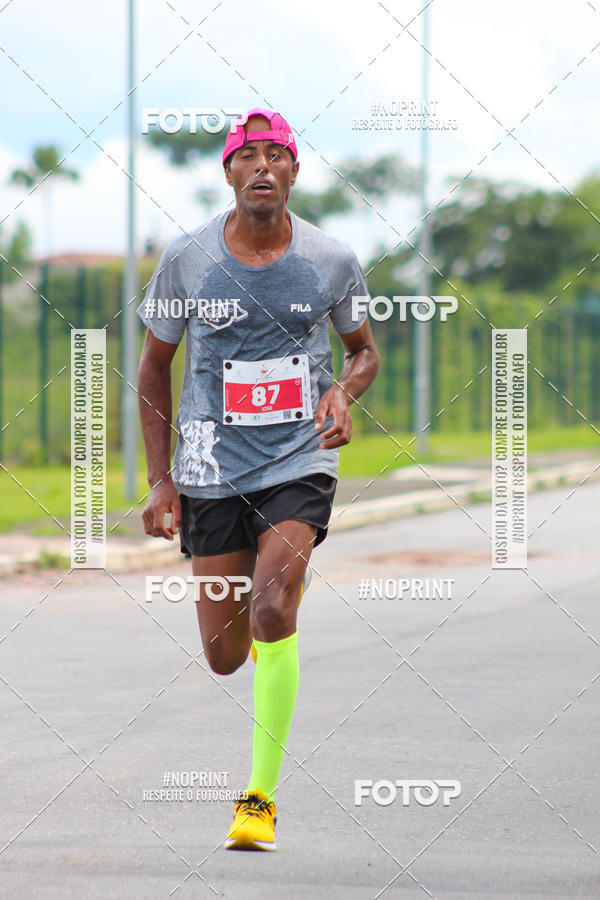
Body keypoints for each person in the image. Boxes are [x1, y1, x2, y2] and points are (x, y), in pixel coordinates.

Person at [136, 107, 380, 851]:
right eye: (251, 157)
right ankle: (257, 603)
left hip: (297, 459)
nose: (264, 167)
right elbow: (153, 367)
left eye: (279, 156)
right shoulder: (188, 259)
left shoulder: (331, 261)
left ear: (296, 173)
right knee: (224, 654)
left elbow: (364, 351)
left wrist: (343, 390)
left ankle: (259, 801)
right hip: (210, 466)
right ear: (231, 173)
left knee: (274, 604)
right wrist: (160, 481)